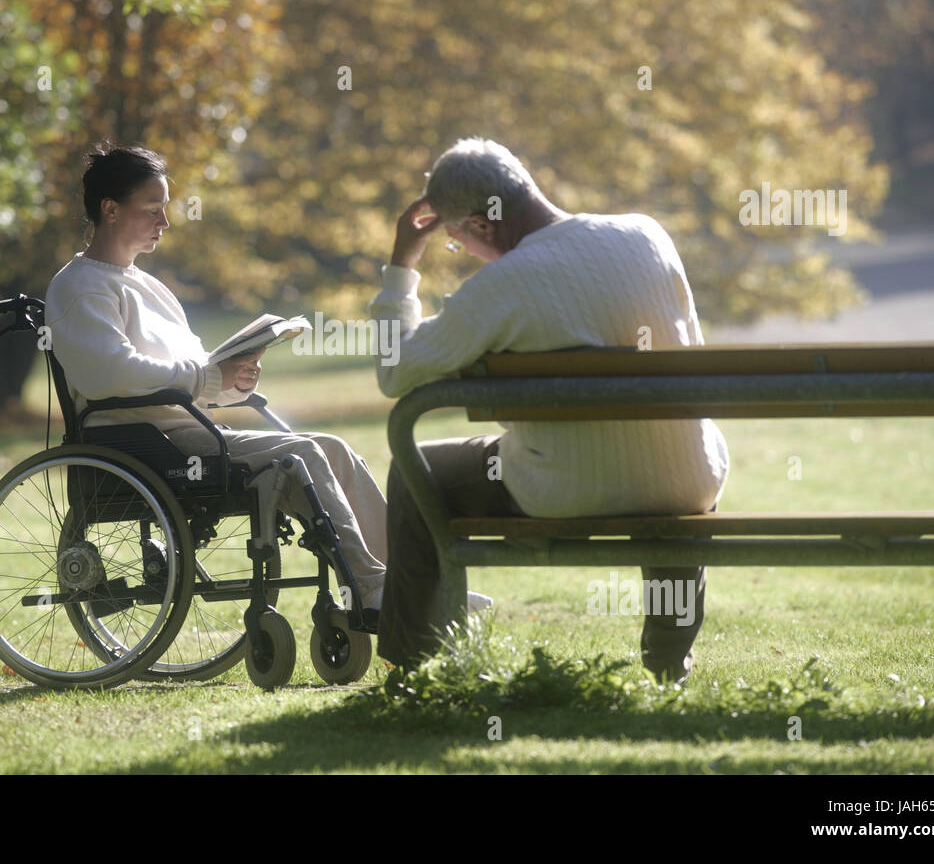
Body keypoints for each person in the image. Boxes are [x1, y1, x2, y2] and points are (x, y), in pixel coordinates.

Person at [367, 137, 730, 680]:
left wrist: (402, 265)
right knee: (662, 462)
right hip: (689, 478)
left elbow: (395, 372)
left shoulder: (499, 287)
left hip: (565, 488)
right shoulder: (646, 234)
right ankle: (669, 665)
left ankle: (409, 666)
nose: (462, 251)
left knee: (416, 469)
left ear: (483, 226)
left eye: (457, 240)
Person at [44, 143, 388, 618]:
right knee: (302, 454)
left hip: (185, 434)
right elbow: (110, 372)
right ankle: (373, 589)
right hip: (142, 446)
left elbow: (190, 372)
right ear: (110, 209)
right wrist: (208, 378)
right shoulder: (78, 285)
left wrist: (233, 378)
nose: (164, 222)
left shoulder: (147, 285)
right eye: (152, 210)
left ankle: (408, 581)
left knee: (333, 447)